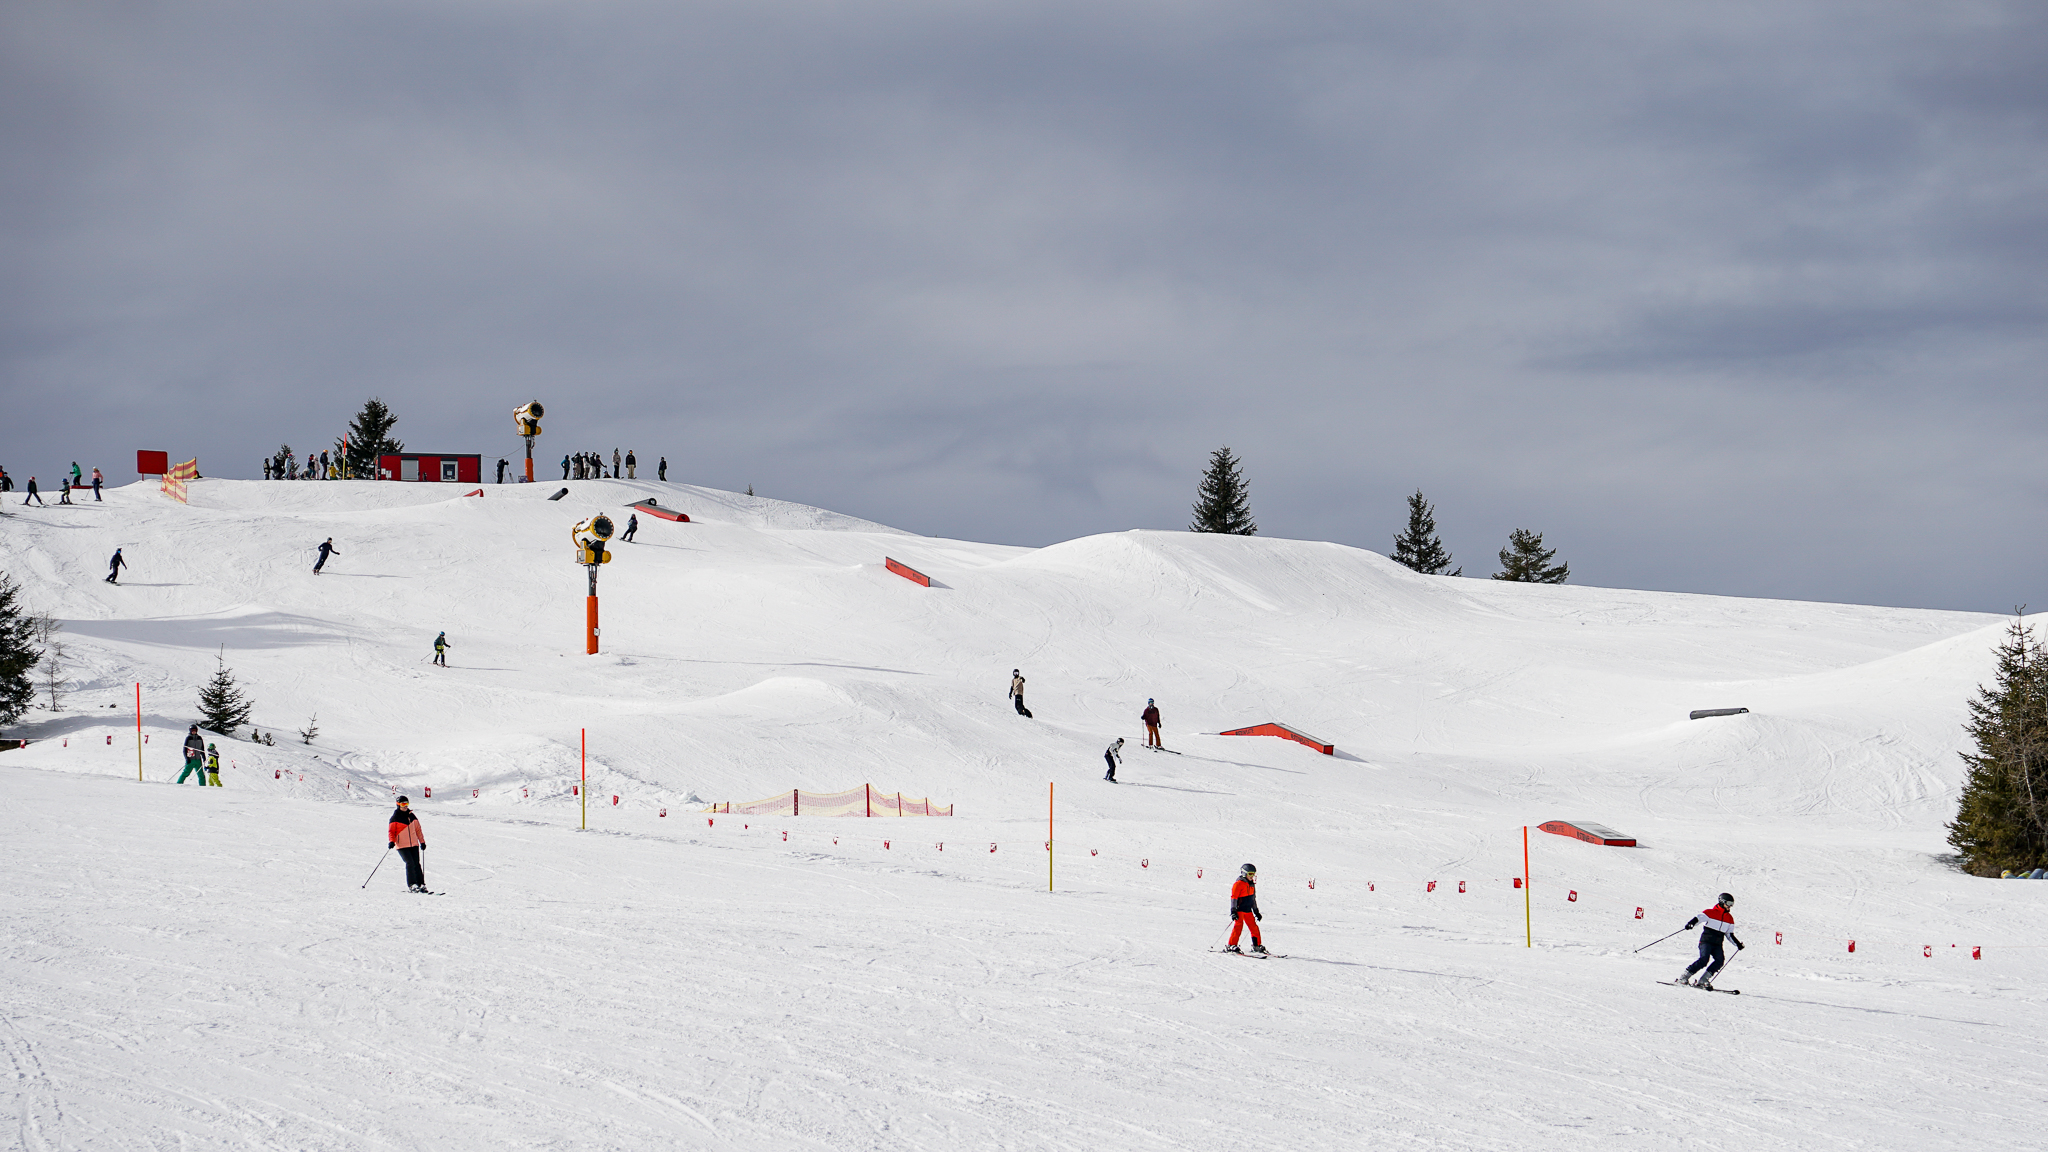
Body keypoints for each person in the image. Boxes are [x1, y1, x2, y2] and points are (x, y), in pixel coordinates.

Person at [1677, 892, 1744, 989]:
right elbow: (1699, 918)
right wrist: (1691, 924)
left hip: (1717, 944)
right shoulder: (1710, 912)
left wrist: (1737, 944)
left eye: (1731, 904)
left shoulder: (1729, 918)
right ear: (1722, 902)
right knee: (1704, 960)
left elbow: (1729, 934)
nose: (1730, 906)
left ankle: (1703, 980)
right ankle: (1684, 977)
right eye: (1728, 903)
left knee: (1719, 961)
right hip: (1706, 941)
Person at [388, 796, 430, 893]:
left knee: (416, 864)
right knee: (410, 863)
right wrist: (391, 841)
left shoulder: (412, 816)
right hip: (402, 845)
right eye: (403, 804)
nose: (405, 806)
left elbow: (418, 830)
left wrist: (422, 842)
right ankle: (412, 885)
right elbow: (391, 832)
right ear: (398, 805)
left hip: (414, 844)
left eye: (407, 804)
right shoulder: (395, 818)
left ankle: (421, 884)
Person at [1225, 863, 1266, 954]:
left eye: (1253, 874)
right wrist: (1233, 910)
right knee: (1238, 927)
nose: (1252, 876)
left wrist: (1256, 911)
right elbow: (1234, 898)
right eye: (1250, 874)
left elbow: (1253, 899)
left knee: (1254, 928)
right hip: (1239, 910)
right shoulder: (1238, 884)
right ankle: (1232, 945)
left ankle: (1256, 945)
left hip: (1248, 910)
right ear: (1244, 873)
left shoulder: (1251, 884)